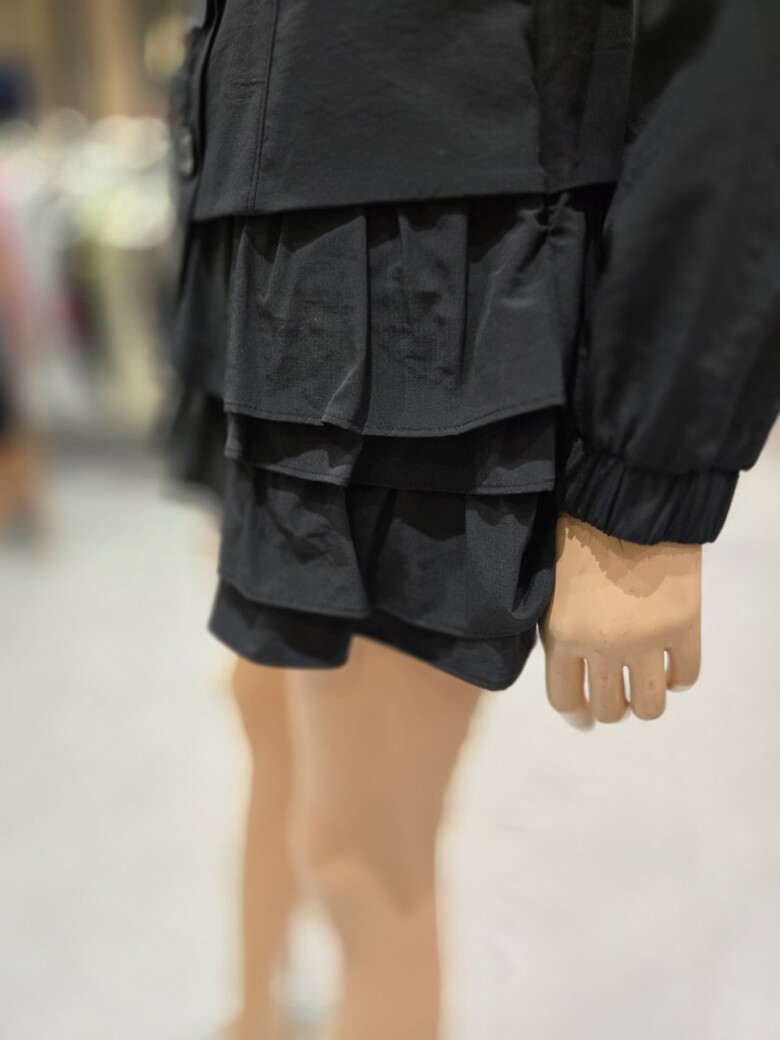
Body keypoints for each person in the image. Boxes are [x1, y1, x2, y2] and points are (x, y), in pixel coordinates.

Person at [164, 1, 780, 1037]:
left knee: (365, 860)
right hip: (259, 233)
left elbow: (731, 35)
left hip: (427, 260)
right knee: (262, 713)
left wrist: (647, 487)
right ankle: (251, 1017)